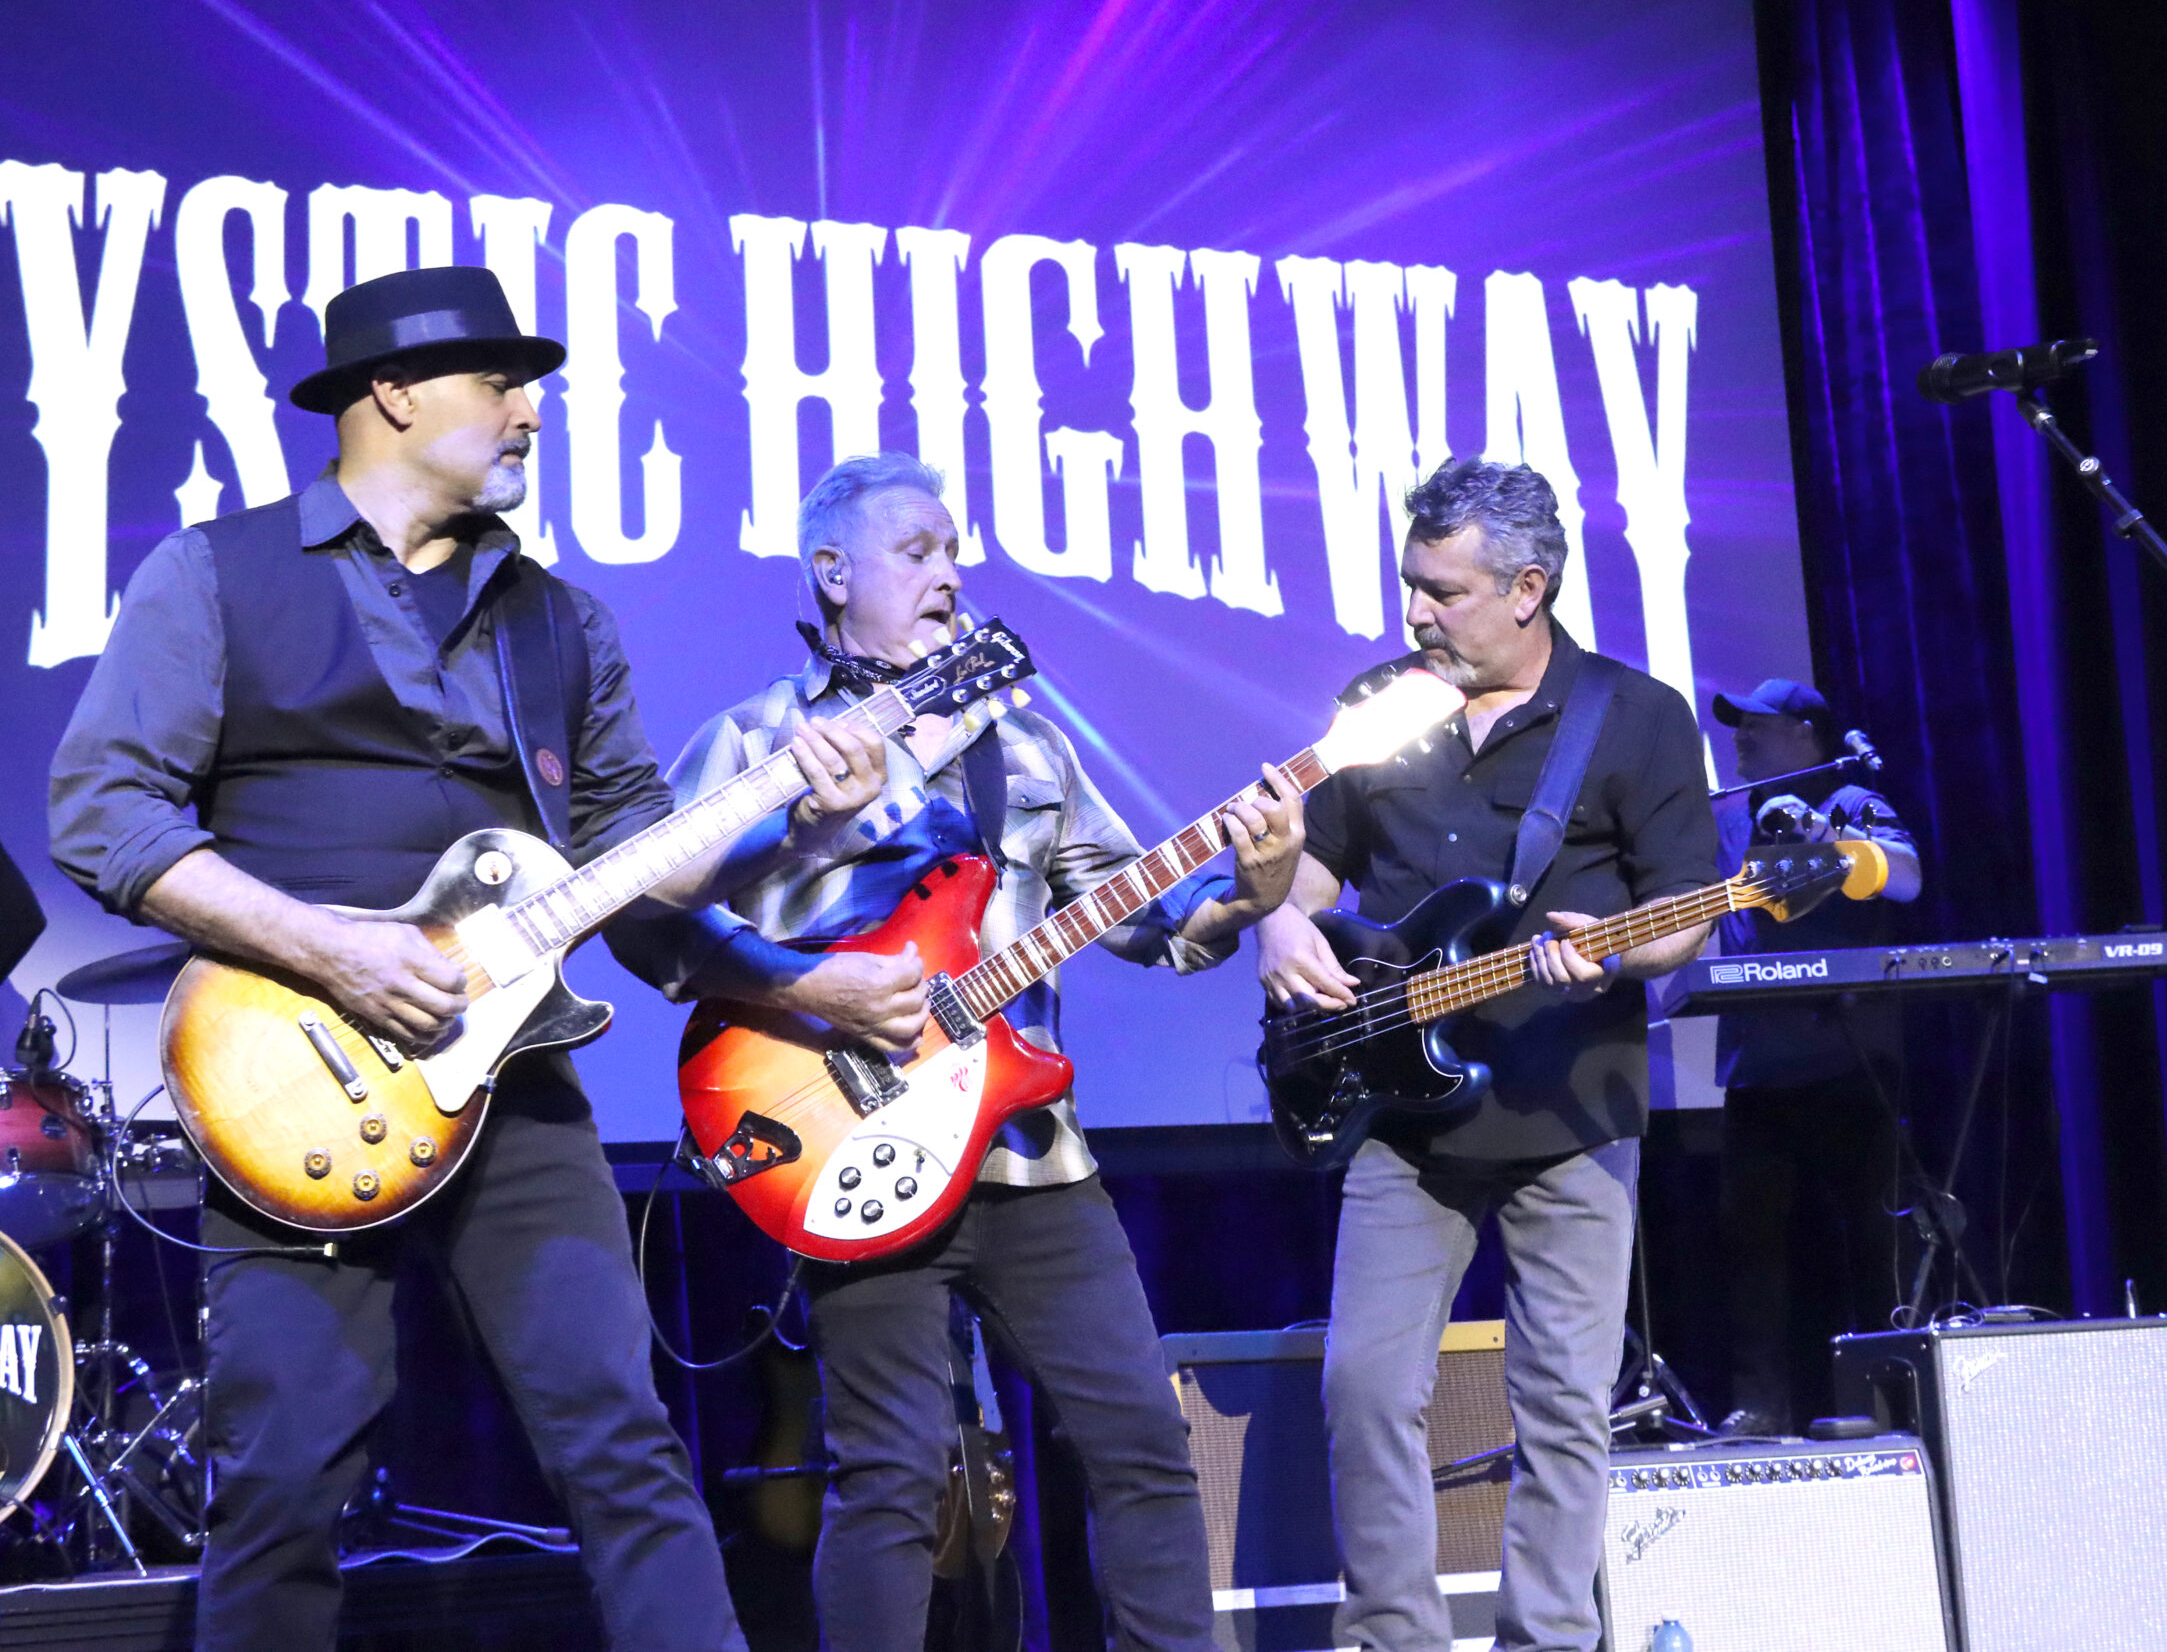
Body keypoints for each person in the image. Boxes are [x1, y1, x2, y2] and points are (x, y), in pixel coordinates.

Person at [48, 265, 886, 1652]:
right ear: (392, 392)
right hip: (299, 1074)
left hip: (517, 1082)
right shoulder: (216, 573)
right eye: (500, 383)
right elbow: (103, 810)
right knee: (282, 1479)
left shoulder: (560, 620)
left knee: (627, 1447)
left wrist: (789, 817)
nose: (530, 412)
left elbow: (638, 871)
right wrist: (335, 951)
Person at [607, 450, 1303, 1652]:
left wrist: (1250, 895)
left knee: (1142, 1447)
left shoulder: (1024, 745)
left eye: (954, 553)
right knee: (886, 1478)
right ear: (831, 573)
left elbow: (1152, 931)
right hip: (853, 1140)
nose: (949, 574)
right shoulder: (758, 739)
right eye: (917, 552)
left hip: (1035, 1156)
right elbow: (646, 925)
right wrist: (809, 988)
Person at [1255, 455, 1720, 1652]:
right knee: (1365, 1393)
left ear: (1528, 589)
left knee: (1563, 1408)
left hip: (1570, 1111)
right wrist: (1282, 920)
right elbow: (1315, 868)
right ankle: (1393, 1639)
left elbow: (1685, 917)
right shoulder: (1382, 704)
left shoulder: (1637, 714)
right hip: (1399, 1118)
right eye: (1410, 585)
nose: (1414, 613)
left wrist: (1611, 956)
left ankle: (1548, 1639)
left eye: (1441, 592)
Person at [1707, 678, 1923, 1438]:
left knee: (1872, 1240)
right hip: (1758, 1071)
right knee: (1752, 1251)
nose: (1742, 738)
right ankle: (1760, 1407)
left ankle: (1887, 1401)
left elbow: (1906, 876)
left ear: (1806, 734)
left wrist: (1826, 843)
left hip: (1848, 1062)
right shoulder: (1726, 815)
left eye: (1758, 726)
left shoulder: (1851, 798)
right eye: (1739, 727)